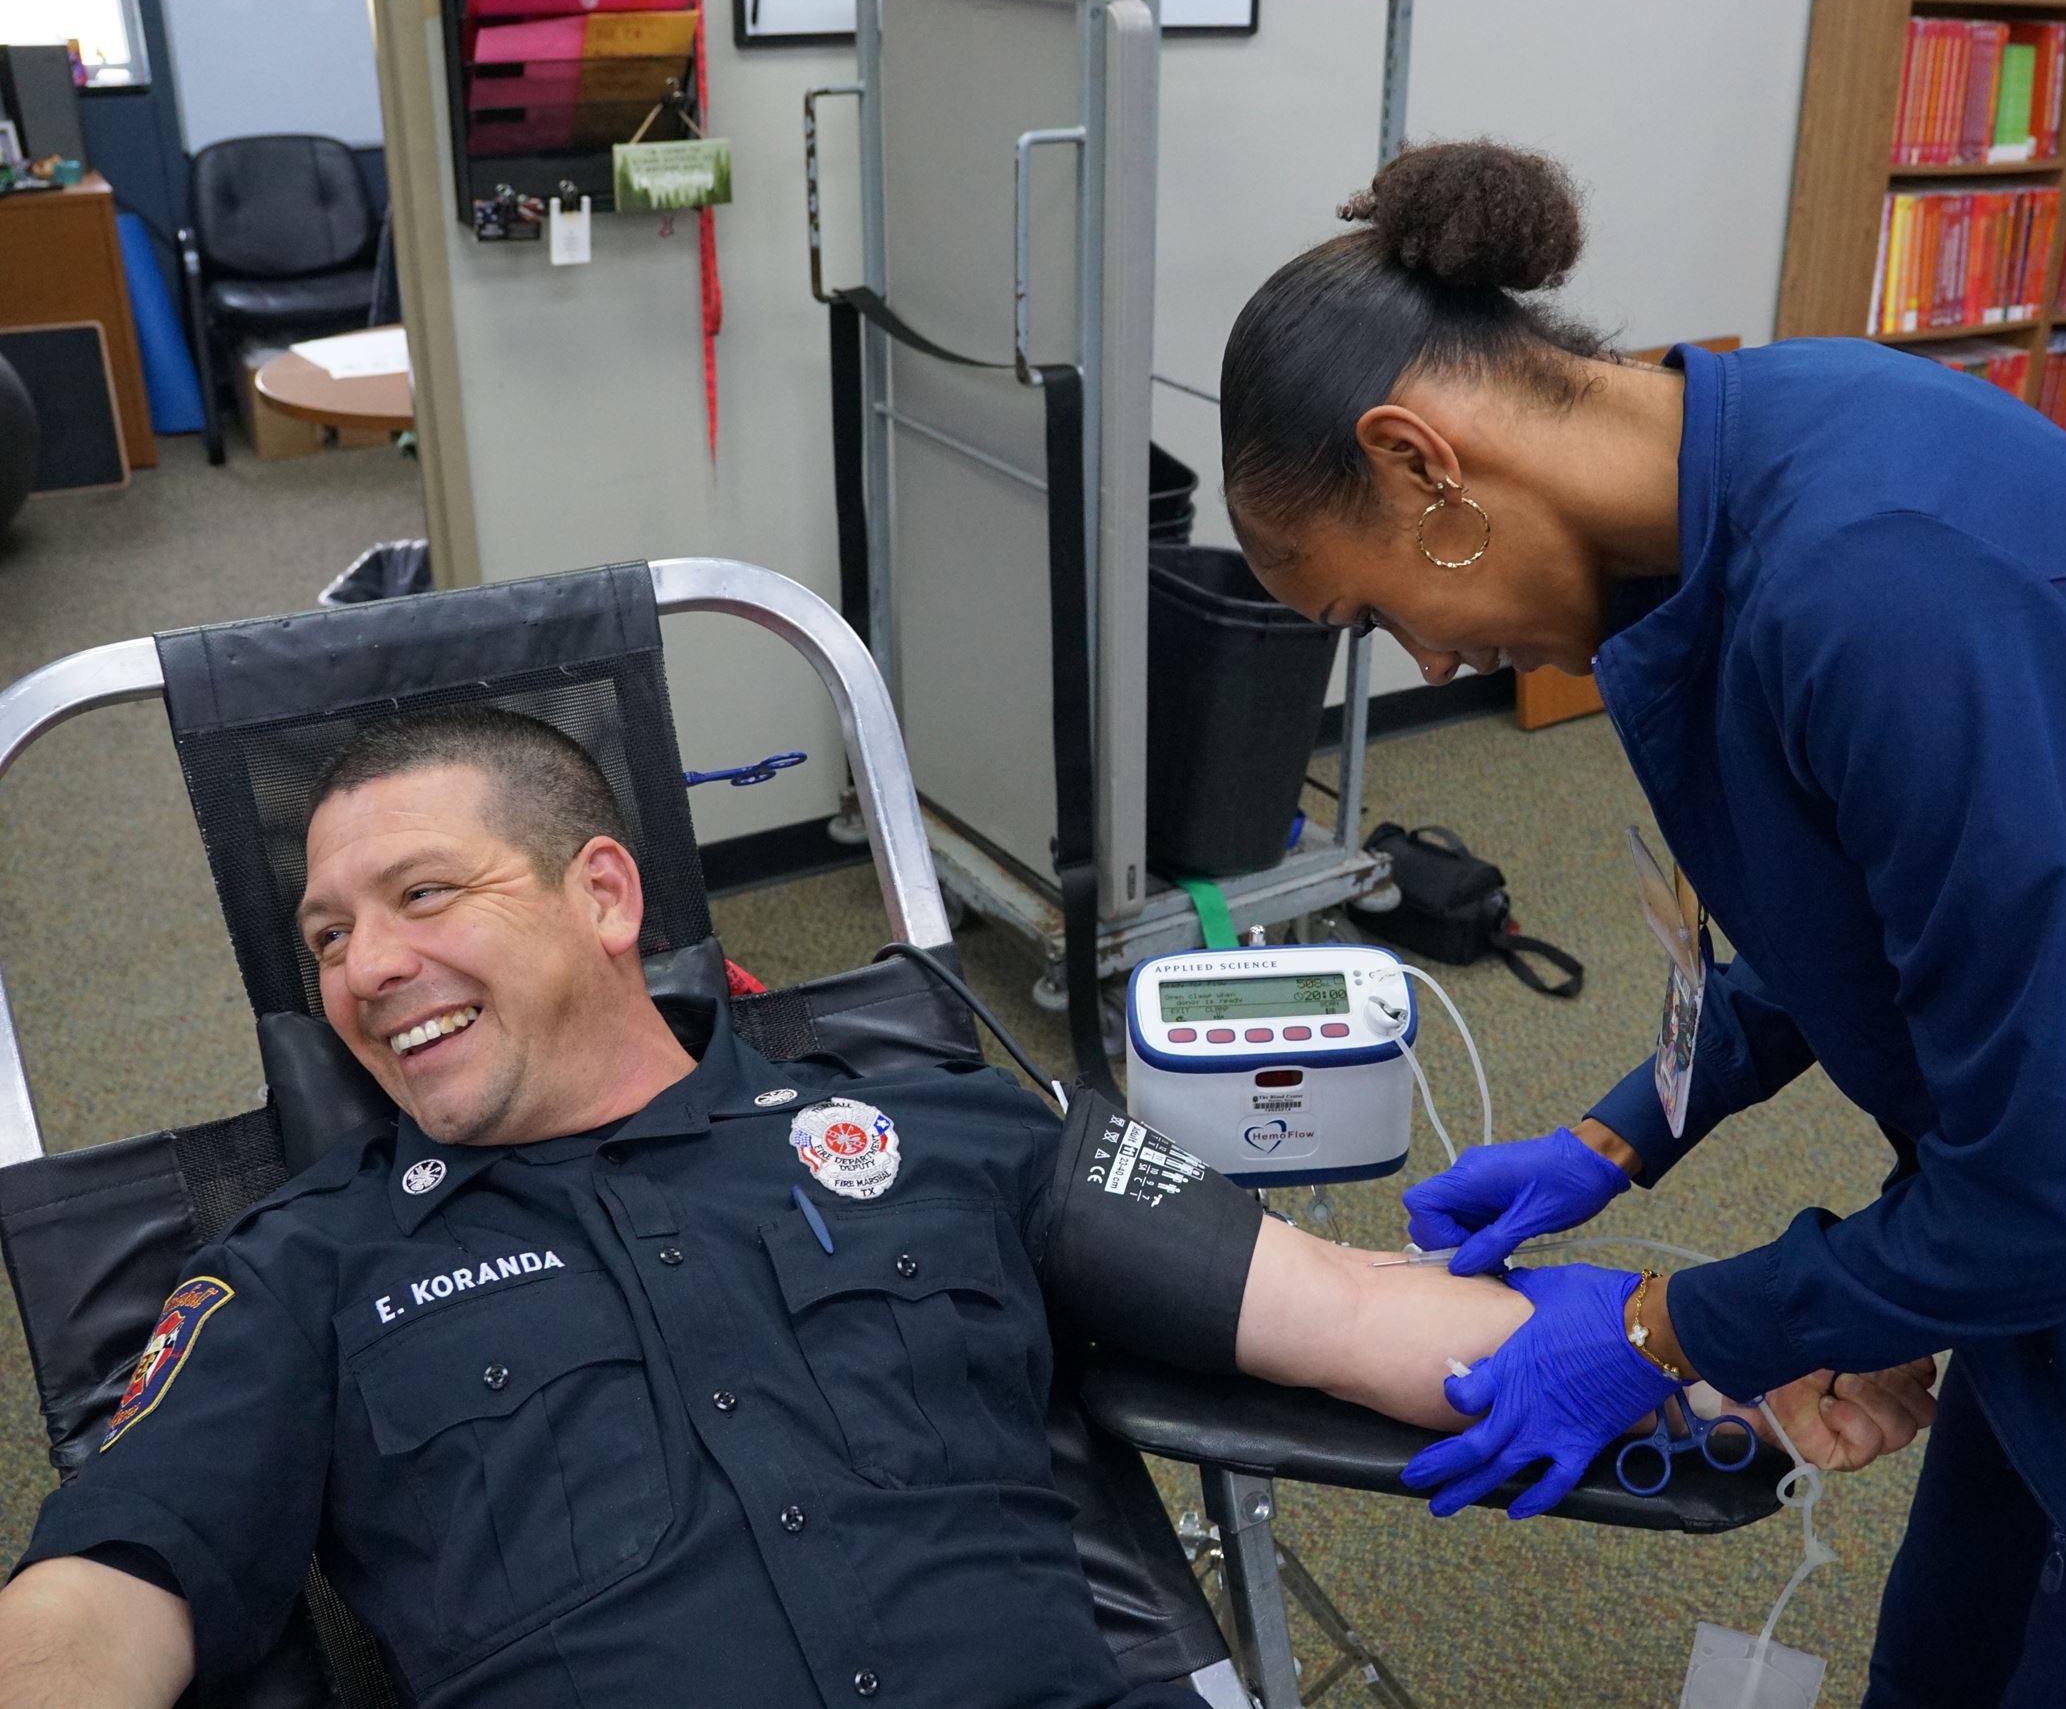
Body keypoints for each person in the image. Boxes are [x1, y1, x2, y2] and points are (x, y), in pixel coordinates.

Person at [1213, 140, 2066, 1706]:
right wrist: (1624, 1130)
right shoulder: (1722, 479)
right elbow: (1868, 905)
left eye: (1371, 612)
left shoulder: (1878, 583)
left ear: (1421, 462)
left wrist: (1657, 1327)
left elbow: (2061, 1190)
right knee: (1936, 1665)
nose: (1427, 663)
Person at [0, 706, 1552, 1709]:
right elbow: (101, 1591)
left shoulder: (939, 1131)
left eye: (422, 895)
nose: (361, 968)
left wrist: (1691, 1344)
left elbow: (1347, 1309)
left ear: (605, 896)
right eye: (326, 933)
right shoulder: (306, 1262)